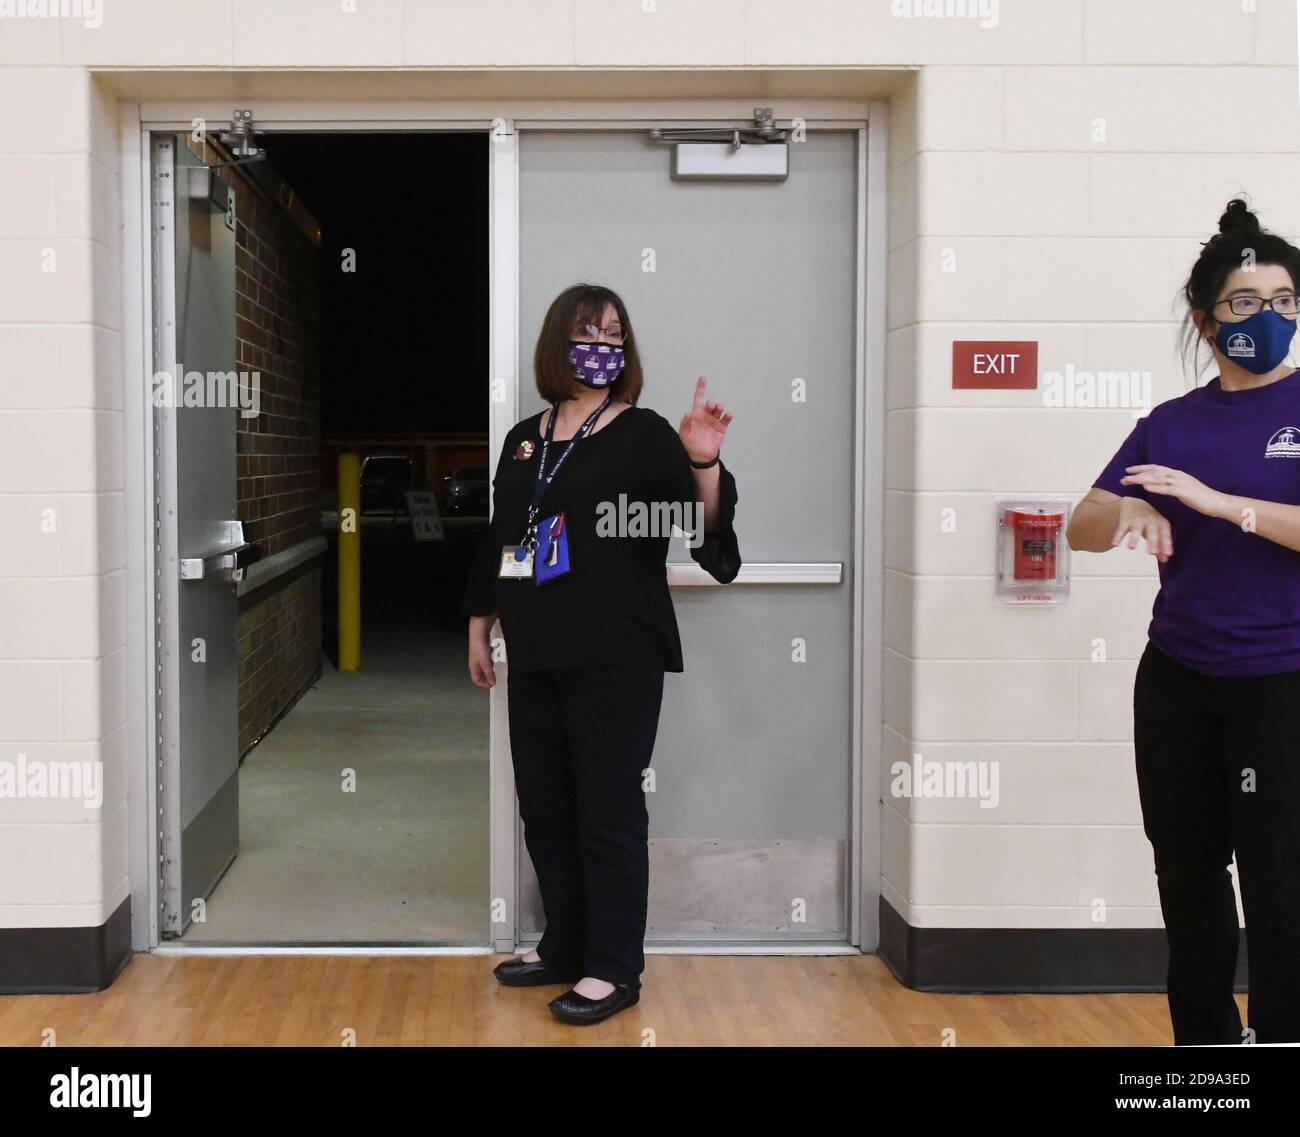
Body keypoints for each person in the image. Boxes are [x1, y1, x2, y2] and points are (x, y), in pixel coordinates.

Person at [461, 282, 741, 1025]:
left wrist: (703, 463)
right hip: (538, 648)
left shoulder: (645, 433)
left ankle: (614, 967)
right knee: (546, 809)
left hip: (616, 655)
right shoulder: (527, 435)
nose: (604, 344)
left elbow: (698, 530)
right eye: (590, 330)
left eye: (615, 333)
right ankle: (565, 945)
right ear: (560, 343)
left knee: (607, 811)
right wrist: (479, 621)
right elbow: (503, 537)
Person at [1067, 198, 1300, 1045]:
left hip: (1282, 684)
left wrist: (1220, 505)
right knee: (1191, 877)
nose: (1268, 318)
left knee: (1282, 887)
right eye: (1246, 303)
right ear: (1206, 321)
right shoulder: (1171, 422)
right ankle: (1207, 1049)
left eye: (1283, 301)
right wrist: (1123, 513)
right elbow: (1079, 524)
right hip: (1179, 683)